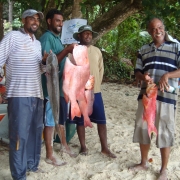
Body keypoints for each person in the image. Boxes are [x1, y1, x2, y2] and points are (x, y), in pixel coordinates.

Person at [0, 9, 48, 180]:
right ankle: (19, 175)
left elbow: (39, 70)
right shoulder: (12, 37)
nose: (35, 22)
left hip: (37, 94)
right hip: (19, 94)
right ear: (23, 20)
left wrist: (44, 62)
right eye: (31, 18)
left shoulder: (37, 43)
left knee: (35, 132)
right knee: (19, 134)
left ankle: (31, 165)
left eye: (37, 19)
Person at [131, 17, 180, 180]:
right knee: (143, 128)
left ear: (164, 28)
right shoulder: (144, 49)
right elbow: (137, 71)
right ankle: (144, 162)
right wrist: (142, 76)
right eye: (152, 29)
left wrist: (168, 75)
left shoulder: (176, 46)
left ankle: (163, 170)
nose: (156, 31)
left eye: (159, 27)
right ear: (149, 32)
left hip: (167, 97)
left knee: (165, 131)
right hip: (146, 95)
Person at [71, 25, 116, 158]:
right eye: (85, 34)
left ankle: (104, 148)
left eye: (90, 34)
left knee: (101, 120)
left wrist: (96, 85)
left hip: (96, 92)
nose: (88, 36)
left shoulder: (97, 51)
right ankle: (83, 147)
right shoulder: (73, 51)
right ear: (79, 36)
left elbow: (101, 69)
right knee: (80, 121)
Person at [39, 9, 76, 166]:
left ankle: (62, 146)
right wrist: (67, 50)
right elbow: (48, 63)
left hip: (60, 88)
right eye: (57, 21)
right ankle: (49, 155)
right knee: (49, 121)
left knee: (57, 119)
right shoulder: (47, 37)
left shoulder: (57, 39)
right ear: (49, 21)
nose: (60, 24)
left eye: (62, 21)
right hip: (50, 89)